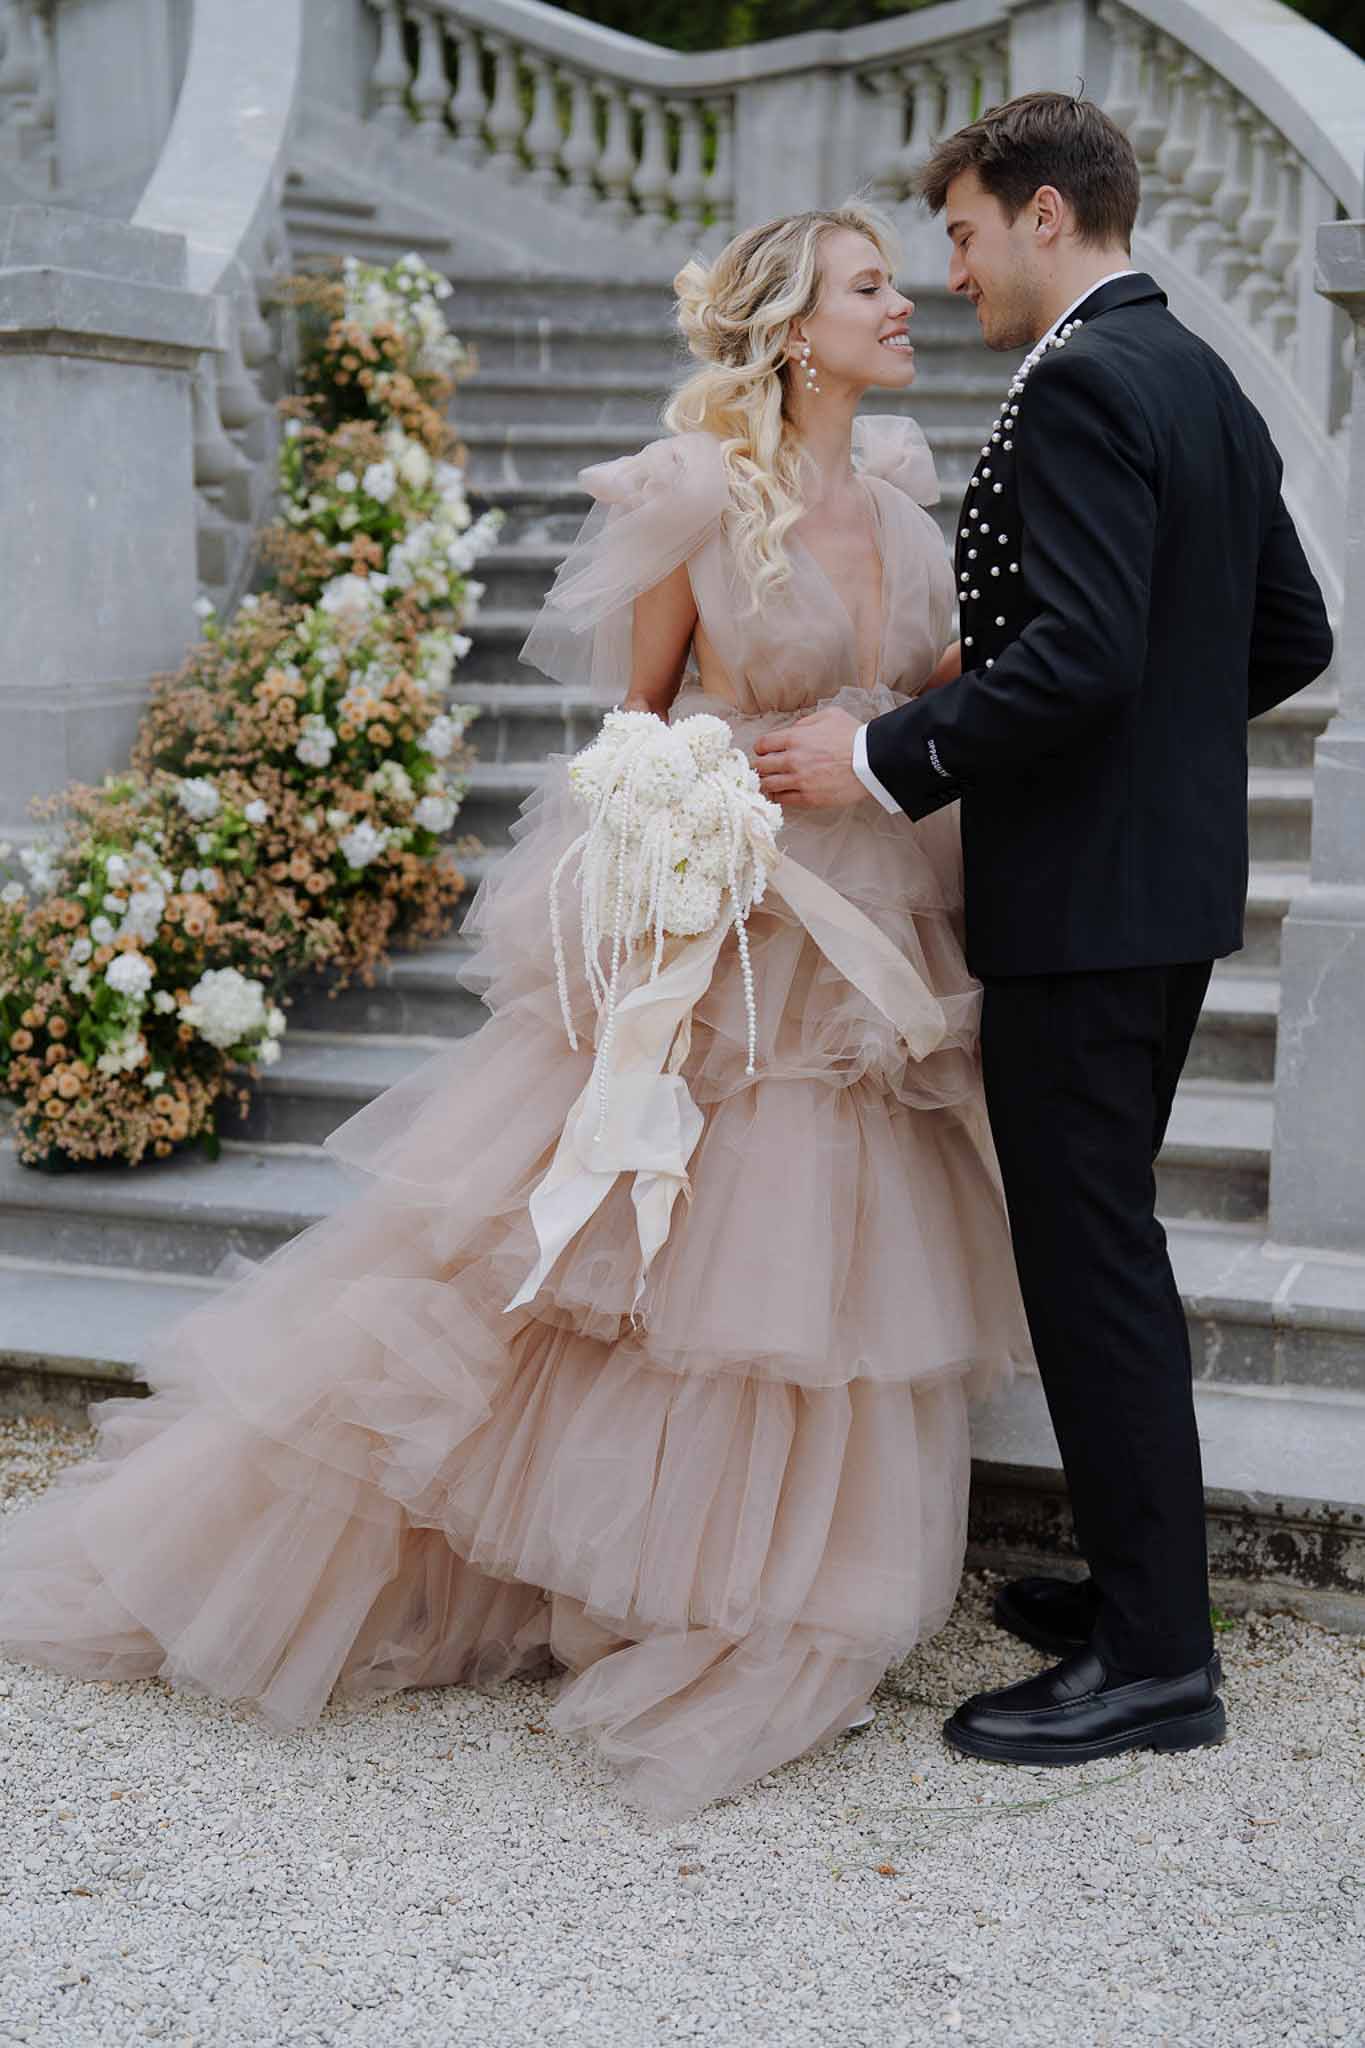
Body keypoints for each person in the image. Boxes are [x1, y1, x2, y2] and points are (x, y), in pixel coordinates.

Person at [0, 204, 1032, 1819]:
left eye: (900, 280)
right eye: (869, 286)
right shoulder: (697, 497)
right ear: (786, 326)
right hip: (726, 921)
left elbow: (928, 699)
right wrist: (687, 811)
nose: (904, 302)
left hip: (876, 915)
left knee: (812, 1271)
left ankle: (761, 1579)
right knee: (643, 1255)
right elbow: (630, 725)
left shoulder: (904, 497)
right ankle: (610, 1570)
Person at [755, 95, 1334, 1766]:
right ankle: (1140, 1592)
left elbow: (1079, 655)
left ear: (1043, 215)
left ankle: (1158, 1664)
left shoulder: (1080, 379)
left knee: (1091, 1273)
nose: (947, 273)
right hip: (1150, 897)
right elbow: (1283, 632)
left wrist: (877, 755)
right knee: (1100, 1259)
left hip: (1084, 907)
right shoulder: (1199, 375)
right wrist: (1150, 756)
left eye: (957, 232)